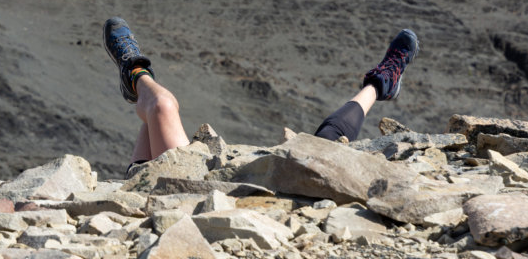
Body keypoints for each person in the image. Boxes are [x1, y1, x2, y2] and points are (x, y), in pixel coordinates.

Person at [101, 17, 419, 176]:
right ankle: (382, 83)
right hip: (284, 190)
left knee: (161, 106)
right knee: (330, 140)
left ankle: (135, 73)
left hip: (181, 196)